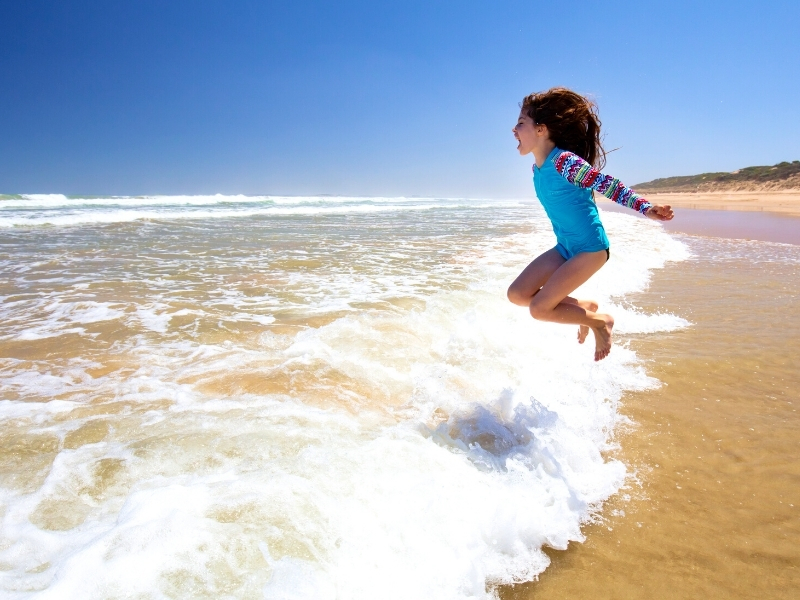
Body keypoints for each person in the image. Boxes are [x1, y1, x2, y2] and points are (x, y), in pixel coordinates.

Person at [507, 87, 674, 361]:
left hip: (589, 250)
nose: (514, 129)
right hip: (565, 247)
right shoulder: (537, 168)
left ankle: (599, 321)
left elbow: (607, 185)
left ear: (541, 129)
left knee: (538, 309)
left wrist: (646, 208)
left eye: (520, 123)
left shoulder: (565, 162)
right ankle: (586, 308)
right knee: (517, 294)